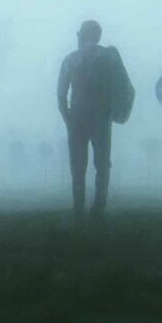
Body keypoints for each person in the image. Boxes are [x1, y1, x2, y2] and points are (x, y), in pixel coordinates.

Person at [57, 20, 134, 222]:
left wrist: (68, 119)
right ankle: (99, 206)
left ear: (81, 35)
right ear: (98, 36)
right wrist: (116, 112)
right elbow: (124, 87)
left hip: (78, 118)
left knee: (78, 165)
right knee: (102, 163)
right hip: (101, 117)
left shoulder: (70, 60)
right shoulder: (109, 56)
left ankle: (79, 207)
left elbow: (60, 95)